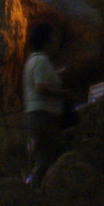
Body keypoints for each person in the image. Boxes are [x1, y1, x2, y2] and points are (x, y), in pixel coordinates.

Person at [21, 22, 71, 185]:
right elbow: (40, 87)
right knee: (45, 161)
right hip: (43, 116)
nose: (56, 41)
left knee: (43, 159)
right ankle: (37, 196)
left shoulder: (33, 60)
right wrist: (64, 93)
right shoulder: (41, 60)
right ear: (46, 41)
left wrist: (55, 75)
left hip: (37, 115)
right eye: (53, 38)